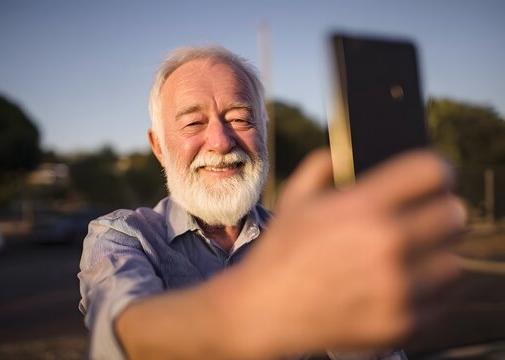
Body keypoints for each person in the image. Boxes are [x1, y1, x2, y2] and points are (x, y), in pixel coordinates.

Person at [78, 46, 464, 360]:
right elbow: (124, 327)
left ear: (263, 131)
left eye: (240, 119)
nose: (221, 141)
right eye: (194, 123)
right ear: (159, 146)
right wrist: (260, 309)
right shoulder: (122, 236)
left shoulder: (308, 240)